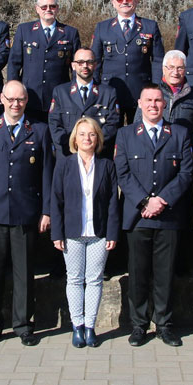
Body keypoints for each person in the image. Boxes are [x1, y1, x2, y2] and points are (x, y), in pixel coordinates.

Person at [0, 81, 54, 346]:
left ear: (27, 101)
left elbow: (47, 175)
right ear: (2, 99)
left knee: (24, 273)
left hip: (25, 212)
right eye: (11, 99)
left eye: (21, 100)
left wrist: (46, 211)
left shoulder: (39, 131)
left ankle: (23, 324)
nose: (16, 104)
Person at [115, 84, 193, 347]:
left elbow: (185, 173)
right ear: (139, 103)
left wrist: (162, 200)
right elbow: (123, 173)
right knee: (137, 274)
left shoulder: (180, 134)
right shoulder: (125, 135)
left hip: (168, 216)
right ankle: (138, 325)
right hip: (138, 217)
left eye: (158, 100)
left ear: (165, 104)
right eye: (148, 100)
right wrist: (145, 201)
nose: (153, 105)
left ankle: (164, 324)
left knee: (165, 274)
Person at [50, 118, 121, 348]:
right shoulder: (64, 164)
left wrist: (112, 233)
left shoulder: (107, 165)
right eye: (82, 134)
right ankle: (77, 326)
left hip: (99, 233)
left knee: (94, 280)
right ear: (74, 139)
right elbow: (56, 200)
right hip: (72, 232)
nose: (87, 139)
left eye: (91, 134)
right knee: (74, 279)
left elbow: (113, 202)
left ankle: (90, 326)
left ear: (98, 138)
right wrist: (57, 233)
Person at [90, 0, 164, 123]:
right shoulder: (102, 27)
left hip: (140, 91)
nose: (124, 2)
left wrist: (155, 88)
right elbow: (95, 61)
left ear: (136, 0)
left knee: (138, 134)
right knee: (110, 134)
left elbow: (158, 60)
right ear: (113, 2)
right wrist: (95, 88)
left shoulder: (150, 26)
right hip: (110, 91)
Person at [7, 0, 81, 121]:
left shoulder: (70, 33)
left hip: (58, 97)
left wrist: (73, 93)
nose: (48, 10)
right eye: (44, 7)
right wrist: (13, 92)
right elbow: (14, 64)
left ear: (57, 8)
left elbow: (76, 68)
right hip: (30, 97)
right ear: (37, 9)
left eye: (52, 6)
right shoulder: (24, 30)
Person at [47, 47, 121, 155]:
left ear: (95, 65)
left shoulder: (108, 93)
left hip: (98, 155)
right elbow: (54, 124)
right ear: (73, 65)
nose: (85, 66)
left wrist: (91, 144)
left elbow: (112, 125)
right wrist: (74, 144)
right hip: (68, 154)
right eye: (80, 62)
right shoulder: (60, 92)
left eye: (89, 62)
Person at [134, 50, 193, 132]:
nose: (175, 72)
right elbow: (137, 124)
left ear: (185, 70)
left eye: (180, 68)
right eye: (171, 67)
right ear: (163, 69)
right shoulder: (151, 93)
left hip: (185, 143)